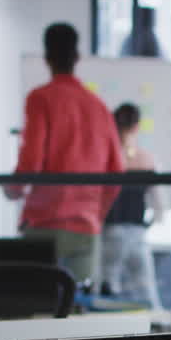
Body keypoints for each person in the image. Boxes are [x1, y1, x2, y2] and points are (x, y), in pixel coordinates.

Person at [7, 22, 124, 285]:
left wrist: (12, 189)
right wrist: (96, 212)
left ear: (47, 58)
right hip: (85, 227)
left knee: (36, 309)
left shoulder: (40, 98)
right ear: (77, 58)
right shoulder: (98, 106)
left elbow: (31, 162)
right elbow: (117, 172)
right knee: (75, 314)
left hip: (45, 225)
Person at [100, 103, 163, 309]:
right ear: (137, 126)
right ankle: (157, 329)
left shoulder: (105, 159)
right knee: (146, 288)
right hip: (137, 233)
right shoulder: (147, 159)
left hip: (110, 232)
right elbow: (159, 206)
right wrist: (147, 226)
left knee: (107, 286)